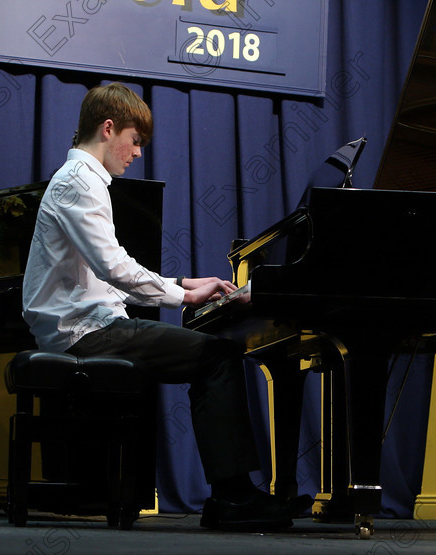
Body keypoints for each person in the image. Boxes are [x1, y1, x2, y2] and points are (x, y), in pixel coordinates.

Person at [21, 82, 295, 531]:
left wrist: (182, 282)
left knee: (213, 355)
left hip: (89, 326)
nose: (137, 153)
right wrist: (184, 296)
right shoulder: (80, 182)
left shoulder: (81, 180)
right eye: (135, 141)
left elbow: (106, 278)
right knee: (217, 357)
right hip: (86, 335)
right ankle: (232, 499)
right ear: (109, 129)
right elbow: (113, 268)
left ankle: (231, 495)